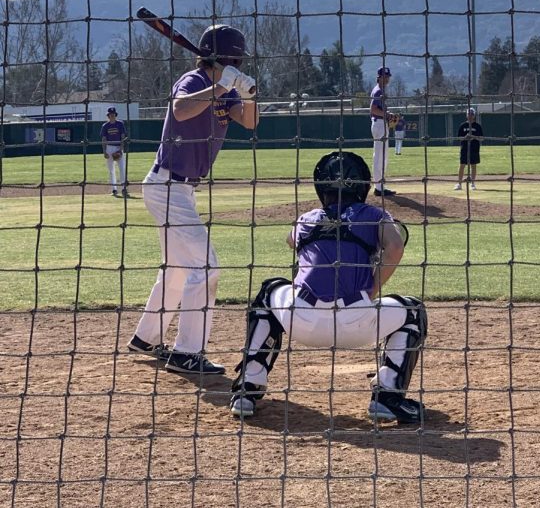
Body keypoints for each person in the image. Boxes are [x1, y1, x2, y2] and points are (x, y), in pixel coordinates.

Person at [229, 150, 427, 423]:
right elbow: (395, 246)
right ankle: (388, 396)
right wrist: (372, 288)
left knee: (269, 290)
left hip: (301, 321)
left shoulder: (306, 218)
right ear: (363, 185)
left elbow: (291, 241)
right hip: (356, 324)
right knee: (413, 309)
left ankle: (247, 389)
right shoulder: (374, 214)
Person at [127, 24, 258, 375]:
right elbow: (181, 110)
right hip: (167, 186)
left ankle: (146, 337)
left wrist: (246, 93)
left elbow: (249, 121)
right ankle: (188, 352)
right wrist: (221, 84)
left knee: (179, 268)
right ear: (228, 57)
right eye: (237, 60)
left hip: (180, 190)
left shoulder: (225, 88)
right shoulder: (194, 81)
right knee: (206, 265)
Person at [370, 66, 396, 196]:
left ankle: (380, 185)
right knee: (379, 156)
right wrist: (387, 115)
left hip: (381, 124)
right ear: (379, 77)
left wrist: (388, 114)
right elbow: (373, 109)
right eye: (385, 76)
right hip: (379, 124)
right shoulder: (378, 91)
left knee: (383, 156)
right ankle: (378, 187)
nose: (387, 79)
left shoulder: (380, 90)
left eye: (388, 76)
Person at [454, 107, 483, 191]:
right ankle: (459, 184)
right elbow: (459, 138)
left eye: (472, 114)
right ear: (466, 115)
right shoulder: (463, 125)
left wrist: (473, 137)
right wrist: (465, 137)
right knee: (462, 165)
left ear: (474, 115)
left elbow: (481, 138)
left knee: (473, 165)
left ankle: (472, 183)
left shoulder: (477, 126)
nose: (470, 116)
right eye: (468, 114)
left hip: (474, 148)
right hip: (464, 148)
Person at [100, 107, 128, 196]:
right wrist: (104, 151)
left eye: (113, 114)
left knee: (122, 169)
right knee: (111, 170)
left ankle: (124, 189)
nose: (112, 116)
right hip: (109, 148)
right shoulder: (105, 126)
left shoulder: (120, 124)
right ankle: (114, 189)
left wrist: (121, 149)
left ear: (115, 115)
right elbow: (104, 139)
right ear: (108, 116)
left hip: (118, 147)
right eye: (110, 115)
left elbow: (123, 137)